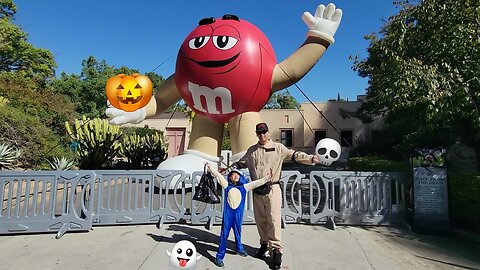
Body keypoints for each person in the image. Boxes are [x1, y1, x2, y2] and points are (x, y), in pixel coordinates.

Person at [233, 122, 319, 269]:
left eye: (264, 132)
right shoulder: (252, 150)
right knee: (260, 219)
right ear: (256, 134)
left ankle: (276, 251)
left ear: (268, 132)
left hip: (273, 188)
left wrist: (310, 159)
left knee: (273, 219)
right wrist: (229, 168)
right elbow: (241, 163)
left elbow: (294, 155)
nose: (262, 135)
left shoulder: (278, 148)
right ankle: (264, 245)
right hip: (257, 189)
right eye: (259, 132)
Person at [206, 163, 273, 267]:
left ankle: (239, 248)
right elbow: (219, 176)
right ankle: (219, 257)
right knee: (224, 236)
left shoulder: (244, 187)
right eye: (233, 174)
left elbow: (255, 183)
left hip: (238, 215)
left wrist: (265, 179)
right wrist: (210, 169)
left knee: (238, 233)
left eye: (237, 174)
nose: (235, 176)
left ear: (241, 177)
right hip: (228, 215)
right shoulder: (226, 186)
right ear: (229, 177)